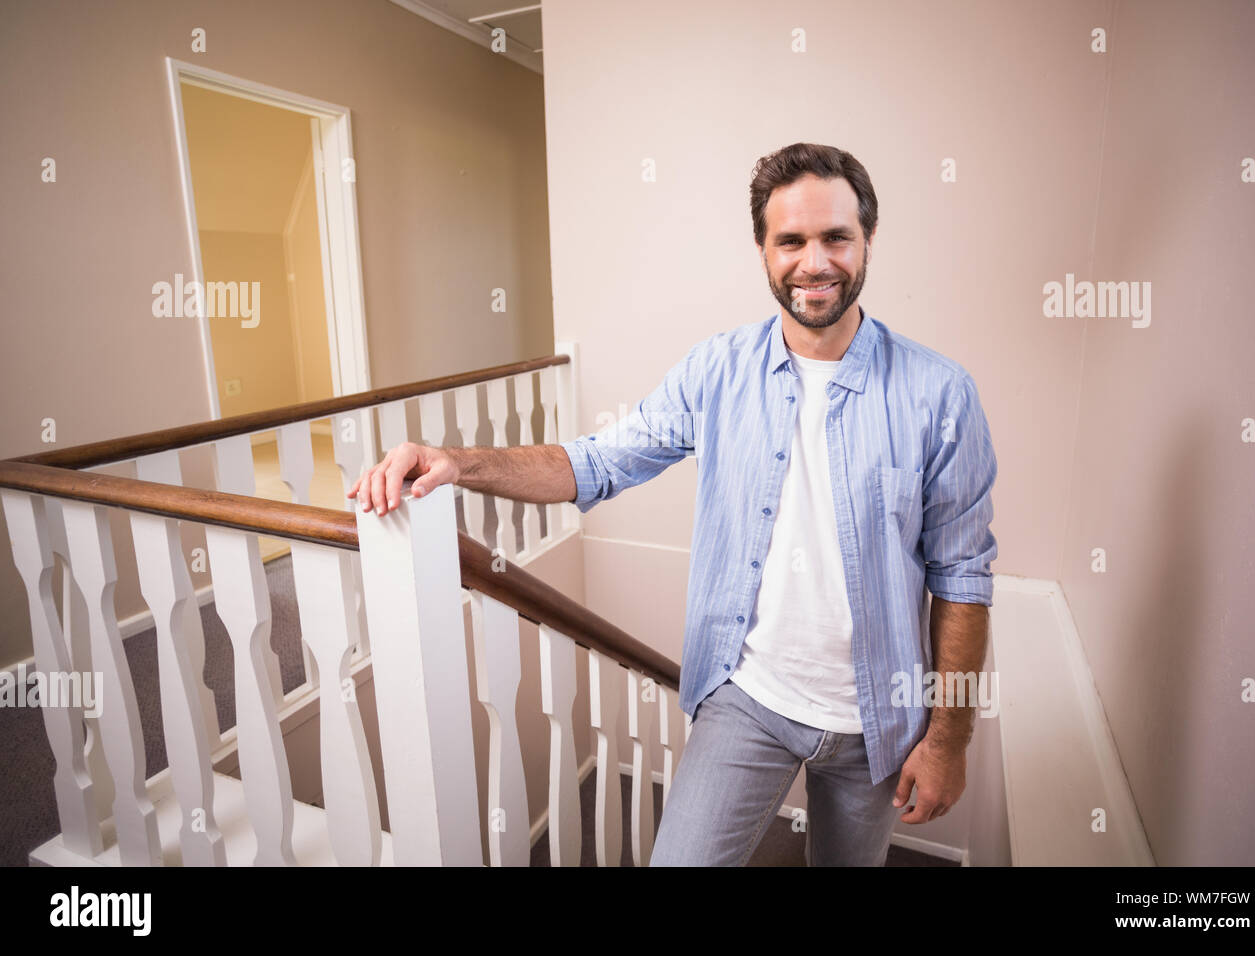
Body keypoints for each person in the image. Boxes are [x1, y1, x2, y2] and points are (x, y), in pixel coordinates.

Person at [348, 142, 998, 867]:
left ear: (866, 240)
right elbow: (592, 465)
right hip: (746, 700)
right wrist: (457, 462)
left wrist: (947, 740)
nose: (814, 262)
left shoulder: (940, 394)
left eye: (835, 237)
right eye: (791, 241)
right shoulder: (716, 371)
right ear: (763, 250)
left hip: (878, 720)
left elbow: (962, 579)